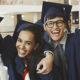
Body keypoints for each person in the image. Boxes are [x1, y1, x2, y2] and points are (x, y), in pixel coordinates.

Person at [36, 1, 80, 80]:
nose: (55, 27)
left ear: (65, 25)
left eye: (59, 22)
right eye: (50, 23)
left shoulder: (76, 40)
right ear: (44, 27)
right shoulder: (43, 48)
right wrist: (48, 54)